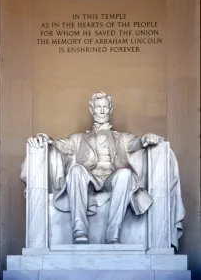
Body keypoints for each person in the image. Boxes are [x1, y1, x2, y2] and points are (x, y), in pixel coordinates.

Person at [27, 92, 184, 245]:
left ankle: (112, 235)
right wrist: (45, 139)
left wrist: (146, 138)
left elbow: (137, 142)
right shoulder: (78, 138)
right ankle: (79, 231)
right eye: (98, 107)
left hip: (112, 178)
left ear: (110, 109)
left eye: (105, 107)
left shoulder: (122, 138)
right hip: (89, 179)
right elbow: (59, 144)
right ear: (91, 109)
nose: (102, 111)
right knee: (76, 170)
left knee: (125, 173)